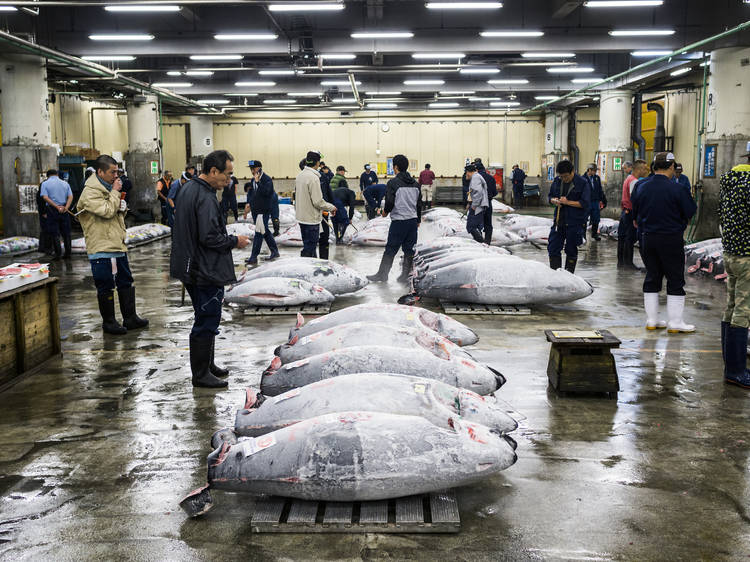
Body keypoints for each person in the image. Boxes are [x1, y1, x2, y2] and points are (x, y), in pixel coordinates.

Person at [171, 150, 250, 389]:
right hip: (204, 269)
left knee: (206, 317)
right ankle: (200, 374)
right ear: (213, 171)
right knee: (207, 319)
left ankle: (208, 365)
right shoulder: (204, 197)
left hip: (191, 265)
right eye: (228, 174)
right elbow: (209, 237)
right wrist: (235, 241)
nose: (229, 180)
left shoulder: (190, 188)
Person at [77, 155, 149, 335]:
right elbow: (107, 211)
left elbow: (115, 215)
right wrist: (116, 194)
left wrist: (122, 207)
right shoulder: (90, 192)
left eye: (117, 171)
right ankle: (109, 322)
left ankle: (130, 318)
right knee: (105, 285)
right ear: (100, 172)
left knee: (126, 281)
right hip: (101, 249)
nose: (116, 176)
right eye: (112, 172)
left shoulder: (108, 188)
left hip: (117, 245)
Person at [631, 152, 697, 333]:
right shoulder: (678, 188)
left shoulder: (640, 186)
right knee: (675, 278)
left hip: (647, 238)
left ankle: (652, 320)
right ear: (671, 167)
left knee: (652, 276)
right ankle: (675, 322)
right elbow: (690, 211)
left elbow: (634, 213)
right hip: (670, 238)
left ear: (653, 167)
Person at [718, 149, 750, 387]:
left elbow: (720, 214)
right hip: (748, 256)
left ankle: (730, 366)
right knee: (743, 311)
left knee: (731, 307)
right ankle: (737, 371)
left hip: (730, 252)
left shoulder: (730, 180)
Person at [368, 154, 421, 284]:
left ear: (395, 167)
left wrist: (385, 212)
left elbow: (390, 202)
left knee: (391, 248)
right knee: (409, 249)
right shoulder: (415, 183)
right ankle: (405, 276)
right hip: (412, 222)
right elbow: (419, 204)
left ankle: (382, 274)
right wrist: (418, 220)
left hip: (399, 222)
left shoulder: (393, 183)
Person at [547, 160, 590, 274]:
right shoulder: (557, 181)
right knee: (553, 247)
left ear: (572, 172)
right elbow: (550, 196)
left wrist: (568, 202)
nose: (564, 179)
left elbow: (584, 203)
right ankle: (556, 275)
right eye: (561, 176)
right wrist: (553, 201)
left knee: (571, 249)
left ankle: (569, 276)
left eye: (566, 176)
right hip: (559, 220)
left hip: (574, 222)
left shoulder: (583, 183)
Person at [295, 151, 337, 258]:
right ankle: (310, 269)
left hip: (302, 219)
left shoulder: (300, 176)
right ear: (317, 163)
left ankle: (311, 266)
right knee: (310, 249)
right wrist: (331, 207)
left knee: (308, 246)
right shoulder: (314, 178)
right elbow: (317, 201)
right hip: (311, 220)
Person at [244, 160, 280, 265]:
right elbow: (251, 194)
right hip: (256, 210)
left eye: (254, 168)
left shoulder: (266, 179)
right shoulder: (252, 180)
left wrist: (259, 182)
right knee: (265, 231)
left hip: (263, 211)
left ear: (259, 168)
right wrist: (248, 204)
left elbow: (267, 193)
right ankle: (275, 251)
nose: (252, 170)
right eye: (251, 169)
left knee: (258, 232)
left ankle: (254, 256)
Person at [618, 159, 648, 270]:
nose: (645, 171)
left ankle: (622, 261)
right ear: (639, 169)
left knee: (623, 237)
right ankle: (628, 263)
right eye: (644, 169)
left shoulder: (629, 179)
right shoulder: (634, 181)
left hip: (625, 211)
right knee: (629, 238)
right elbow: (634, 198)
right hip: (630, 212)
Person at [40, 169, 74, 259]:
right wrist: (66, 207)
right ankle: (68, 253)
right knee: (66, 232)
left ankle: (58, 254)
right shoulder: (65, 183)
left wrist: (56, 206)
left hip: (52, 209)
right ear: (57, 174)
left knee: (54, 232)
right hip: (64, 209)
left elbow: (45, 197)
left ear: (48, 176)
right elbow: (70, 196)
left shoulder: (45, 184)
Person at [464, 163, 489, 243]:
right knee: (477, 226)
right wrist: (469, 203)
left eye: (466, 172)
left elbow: (478, 192)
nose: (466, 174)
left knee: (471, 226)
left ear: (468, 171)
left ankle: (482, 243)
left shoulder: (475, 177)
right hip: (480, 205)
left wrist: (474, 205)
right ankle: (479, 244)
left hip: (477, 206)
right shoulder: (477, 176)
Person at [475, 159, 497, 244]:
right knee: (488, 223)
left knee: (477, 223)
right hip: (488, 203)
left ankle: (479, 242)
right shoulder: (491, 178)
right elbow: (495, 192)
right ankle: (487, 242)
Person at [585, 163, 607, 241]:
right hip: (586, 202)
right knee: (584, 219)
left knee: (596, 219)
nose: (595, 172)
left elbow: (600, 190)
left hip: (595, 202)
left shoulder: (597, 178)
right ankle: (582, 235)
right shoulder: (583, 178)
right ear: (589, 170)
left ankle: (594, 234)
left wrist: (602, 199)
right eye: (594, 171)